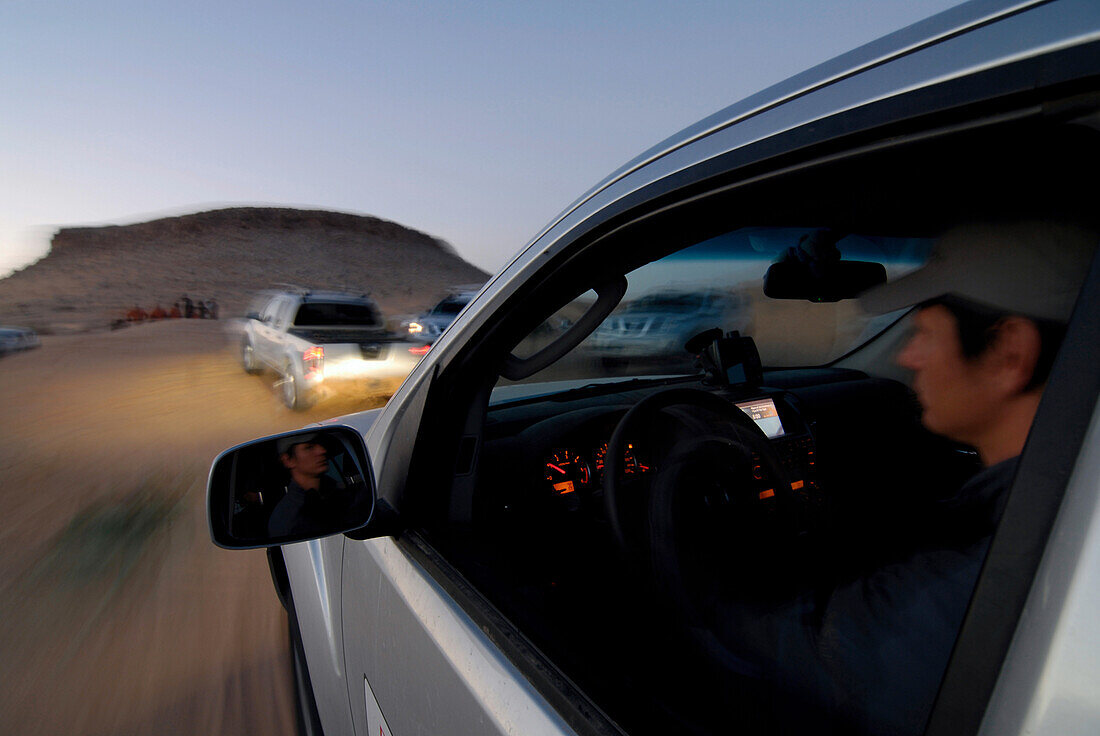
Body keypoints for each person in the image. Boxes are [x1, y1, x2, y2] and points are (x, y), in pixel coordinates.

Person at [709, 220, 1096, 736]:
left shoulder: (954, 585)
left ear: (1010, 353)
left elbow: (766, 651)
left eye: (924, 334)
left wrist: (670, 550)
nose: (905, 357)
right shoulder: (1048, 499)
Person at [267, 433, 361, 538]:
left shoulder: (345, 494)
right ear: (288, 460)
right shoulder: (286, 518)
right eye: (309, 447)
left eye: (321, 445)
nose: (322, 451)